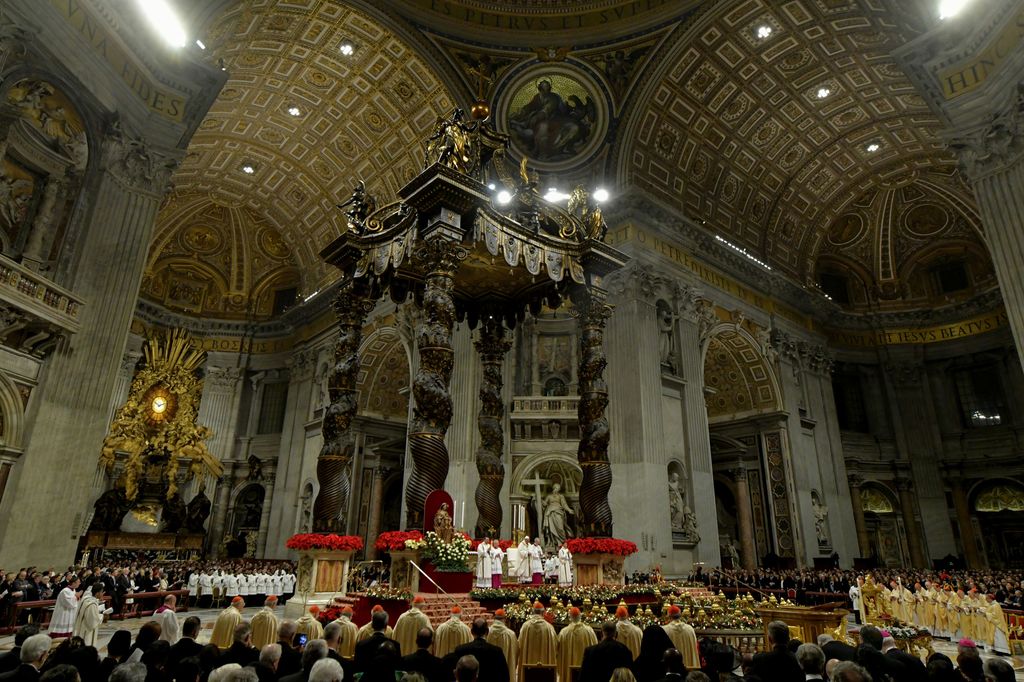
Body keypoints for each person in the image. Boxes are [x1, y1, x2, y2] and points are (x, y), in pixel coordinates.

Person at [517, 602, 556, 680]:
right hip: (545, 667)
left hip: (528, 666)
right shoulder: (549, 628)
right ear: (543, 612)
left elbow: (519, 645)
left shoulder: (525, 626)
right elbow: (555, 645)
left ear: (532, 612)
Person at [557, 608, 596, 682]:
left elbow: (557, 651)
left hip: (568, 667)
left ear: (570, 617)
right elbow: (595, 649)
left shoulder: (563, 632)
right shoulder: (589, 631)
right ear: (580, 616)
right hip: (584, 669)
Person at [662, 607, 699, 671]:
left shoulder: (664, 630)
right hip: (688, 668)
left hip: (672, 669)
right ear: (680, 615)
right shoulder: (690, 629)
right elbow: (695, 648)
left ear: (669, 616)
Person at [485, 610, 518, 680]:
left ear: (494, 618)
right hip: (505, 674)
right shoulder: (511, 634)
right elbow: (515, 653)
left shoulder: (486, 633)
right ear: (504, 619)